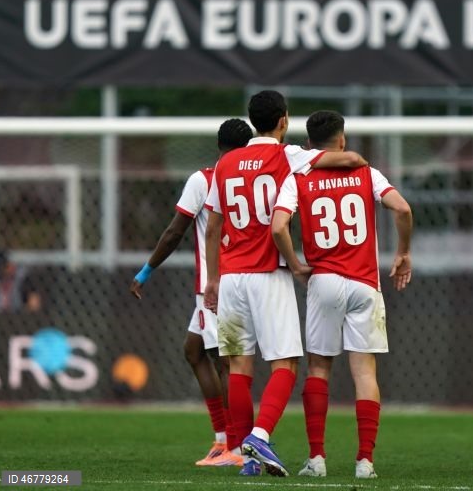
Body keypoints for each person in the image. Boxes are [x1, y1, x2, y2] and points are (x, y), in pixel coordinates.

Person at [203, 91, 368, 478]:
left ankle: (246, 459)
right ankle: (260, 435)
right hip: (268, 272)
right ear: (284, 121)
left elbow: (213, 226)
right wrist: (354, 157)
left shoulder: (225, 163)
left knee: (239, 365)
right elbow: (345, 159)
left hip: (229, 277)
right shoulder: (287, 155)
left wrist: (212, 278)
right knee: (286, 364)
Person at [271, 110, 413, 479]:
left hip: (325, 281)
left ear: (308, 145)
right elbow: (402, 208)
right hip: (365, 282)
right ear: (342, 139)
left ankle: (316, 459)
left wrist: (296, 264)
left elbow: (278, 226)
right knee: (364, 371)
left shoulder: (298, 176)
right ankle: (365, 462)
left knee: (319, 367)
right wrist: (403, 252)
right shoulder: (367, 174)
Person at [130, 118, 252, 467]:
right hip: (247, 279)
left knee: (224, 362)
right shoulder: (258, 180)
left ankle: (237, 446)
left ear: (218, 145)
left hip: (214, 285)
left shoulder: (205, 179)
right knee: (194, 349)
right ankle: (222, 440)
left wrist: (146, 270)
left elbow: (174, 232)